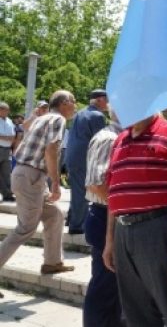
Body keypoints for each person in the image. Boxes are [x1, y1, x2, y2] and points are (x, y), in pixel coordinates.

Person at [102, 114, 167, 327]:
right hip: (124, 232)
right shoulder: (120, 139)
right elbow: (115, 193)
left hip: (159, 228)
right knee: (136, 312)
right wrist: (110, 241)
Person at [0, 91, 77, 275]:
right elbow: (51, 151)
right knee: (26, 228)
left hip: (28, 175)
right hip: (31, 176)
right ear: (65, 102)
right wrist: (56, 185)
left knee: (55, 216)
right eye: (73, 101)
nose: (75, 106)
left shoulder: (43, 118)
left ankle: (52, 262)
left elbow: (27, 130)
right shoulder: (58, 120)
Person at [83, 108, 123, 327]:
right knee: (104, 289)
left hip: (111, 215)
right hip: (104, 216)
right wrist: (125, 204)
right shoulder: (109, 138)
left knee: (114, 290)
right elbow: (97, 184)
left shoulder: (121, 135)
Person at [65, 89, 108, 234]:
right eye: (107, 100)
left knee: (76, 191)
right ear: (100, 100)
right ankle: (77, 226)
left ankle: (71, 219)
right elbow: (102, 140)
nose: (108, 103)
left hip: (72, 157)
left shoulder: (80, 113)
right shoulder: (97, 115)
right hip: (83, 158)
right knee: (82, 193)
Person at [0, 102, 16, 202]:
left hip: (6, 150)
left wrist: (7, 138)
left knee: (6, 173)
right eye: (7, 109)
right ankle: (5, 192)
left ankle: (7, 194)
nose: (8, 111)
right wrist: (7, 137)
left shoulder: (9, 121)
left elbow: (13, 136)